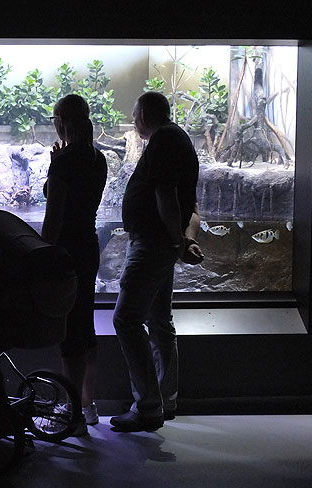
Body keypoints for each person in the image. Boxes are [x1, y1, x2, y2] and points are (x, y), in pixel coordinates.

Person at [110, 91, 200, 432]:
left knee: (126, 319)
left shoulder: (163, 140)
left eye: (134, 116)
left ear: (145, 114)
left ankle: (148, 406)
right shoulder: (180, 140)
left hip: (152, 243)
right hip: (164, 244)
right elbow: (191, 204)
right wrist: (184, 240)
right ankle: (166, 399)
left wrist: (177, 240)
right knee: (160, 319)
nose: (133, 122)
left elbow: (165, 195)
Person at [42, 94, 107, 436]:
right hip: (88, 246)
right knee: (86, 322)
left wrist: (42, 254)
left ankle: (72, 413)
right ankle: (87, 404)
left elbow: (54, 216)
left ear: (62, 121)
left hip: (66, 249)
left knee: (69, 329)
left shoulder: (65, 161)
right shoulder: (98, 158)